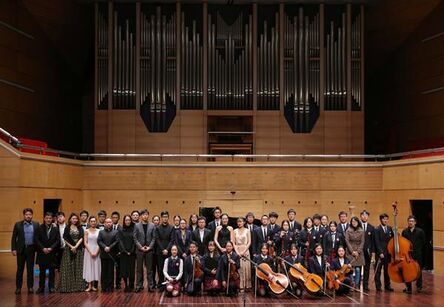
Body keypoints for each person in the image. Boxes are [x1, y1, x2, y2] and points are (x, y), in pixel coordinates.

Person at [11, 208, 39, 294]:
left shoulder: (36, 224)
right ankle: (18, 288)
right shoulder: (18, 224)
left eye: (30, 214)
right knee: (20, 269)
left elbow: (39, 237)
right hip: (21, 250)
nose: (28, 216)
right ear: (24, 215)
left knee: (30, 270)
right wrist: (13, 249)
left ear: (32, 215)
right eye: (27, 214)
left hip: (31, 250)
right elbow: (14, 238)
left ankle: (30, 287)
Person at [35, 212, 60, 294]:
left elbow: (58, 240)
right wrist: (43, 248)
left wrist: (51, 248)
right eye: (47, 218)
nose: (48, 220)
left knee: (52, 272)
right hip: (42, 253)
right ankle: (41, 287)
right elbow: (36, 240)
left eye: (50, 218)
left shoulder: (56, 228)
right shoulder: (39, 228)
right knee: (42, 272)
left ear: (52, 219)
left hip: (52, 253)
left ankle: (51, 287)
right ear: (44, 219)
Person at [59, 213, 85, 293]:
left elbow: (81, 237)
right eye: (73, 218)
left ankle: (78, 286)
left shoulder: (80, 227)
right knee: (68, 268)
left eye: (76, 219)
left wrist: (76, 246)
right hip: (68, 250)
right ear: (70, 219)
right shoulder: (67, 227)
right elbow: (65, 238)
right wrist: (71, 247)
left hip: (79, 249)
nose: (75, 220)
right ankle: (68, 287)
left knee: (78, 267)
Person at [133, 209, 157, 292]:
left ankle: (150, 286)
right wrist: (140, 247)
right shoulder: (136, 225)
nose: (145, 216)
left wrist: (150, 247)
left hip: (149, 250)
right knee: (139, 269)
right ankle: (139, 285)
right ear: (141, 216)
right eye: (143, 214)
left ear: (148, 215)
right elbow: (135, 238)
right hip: (140, 250)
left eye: (146, 214)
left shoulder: (152, 225)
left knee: (149, 269)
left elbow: (154, 238)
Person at [402, 215, 426, 294]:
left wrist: (418, 249)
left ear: (415, 222)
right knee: (407, 271)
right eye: (409, 221)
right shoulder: (404, 231)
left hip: (417, 254)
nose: (410, 223)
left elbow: (423, 242)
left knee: (418, 270)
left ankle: (419, 286)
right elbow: (403, 243)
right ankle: (408, 288)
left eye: (412, 221)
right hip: (408, 255)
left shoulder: (420, 231)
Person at [374, 213, 394, 292]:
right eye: (383, 219)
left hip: (388, 253)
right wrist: (380, 252)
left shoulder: (390, 229)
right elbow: (377, 242)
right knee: (378, 271)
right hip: (380, 254)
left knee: (387, 271)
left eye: (386, 219)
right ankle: (378, 286)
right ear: (381, 220)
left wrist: (396, 232)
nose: (385, 220)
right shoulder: (377, 229)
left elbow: (393, 239)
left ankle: (387, 286)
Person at [98, 218, 119, 292]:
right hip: (103, 254)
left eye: (110, 222)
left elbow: (117, 241)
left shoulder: (115, 232)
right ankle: (104, 287)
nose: (108, 224)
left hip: (112, 254)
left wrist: (110, 247)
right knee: (104, 271)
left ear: (112, 223)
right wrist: (105, 247)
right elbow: (99, 241)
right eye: (107, 222)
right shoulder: (101, 232)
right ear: (104, 224)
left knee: (111, 271)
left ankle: (110, 287)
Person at [155, 211, 174, 291]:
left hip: (169, 251)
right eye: (163, 217)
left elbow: (172, 239)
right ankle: (161, 284)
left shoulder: (171, 227)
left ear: (168, 217)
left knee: (168, 268)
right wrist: (163, 249)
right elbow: (157, 239)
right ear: (161, 218)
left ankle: (168, 284)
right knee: (160, 268)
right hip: (160, 251)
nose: (165, 218)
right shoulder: (157, 228)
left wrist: (167, 249)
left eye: (166, 216)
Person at [345, 216, 365, 288]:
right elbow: (347, 241)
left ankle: (356, 285)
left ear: (358, 222)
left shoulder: (362, 231)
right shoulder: (348, 230)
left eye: (355, 221)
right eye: (353, 222)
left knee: (357, 269)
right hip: (350, 252)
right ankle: (351, 284)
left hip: (359, 252)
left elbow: (362, 242)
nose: (354, 223)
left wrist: (358, 251)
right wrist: (352, 251)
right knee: (350, 269)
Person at [233, 217, 251, 291]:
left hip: (245, 250)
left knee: (246, 268)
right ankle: (240, 286)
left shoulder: (247, 230)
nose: (239, 223)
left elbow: (249, 242)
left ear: (244, 222)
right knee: (240, 269)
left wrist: (244, 252)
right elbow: (233, 243)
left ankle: (247, 286)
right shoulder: (235, 231)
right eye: (238, 222)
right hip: (237, 250)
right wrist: (237, 252)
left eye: (241, 221)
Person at [118, 215, 136, 292]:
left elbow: (134, 241)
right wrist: (125, 251)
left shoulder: (133, 229)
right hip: (123, 253)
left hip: (132, 253)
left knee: (131, 270)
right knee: (124, 270)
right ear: (124, 221)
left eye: (129, 220)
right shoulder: (121, 230)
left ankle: (131, 285)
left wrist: (131, 251)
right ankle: (126, 285)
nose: (128, 221)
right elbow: (120, 241)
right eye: (126, 220)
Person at [83, 216, 101, 292]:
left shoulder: (99, 231)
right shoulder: (86, 231)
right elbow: (85, 242)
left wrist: (96, 252)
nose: (93, 222)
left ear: (96, 222)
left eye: (94, 221)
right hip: (88, 251)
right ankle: (89, 285)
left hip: (97, 250)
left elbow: (100, 242)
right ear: (89, 222)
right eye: (91, 221)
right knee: (89, 267)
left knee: (95, 267)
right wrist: (90, 252)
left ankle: (94, 285)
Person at [360, 210, 375, 291]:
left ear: (368, 217)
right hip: (359, 251)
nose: (364, 216)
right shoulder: (357, 226)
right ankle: (357, 285)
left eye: (366, 215)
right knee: (358, 268)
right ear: (360, 216)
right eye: (363, 215)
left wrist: (373, 252)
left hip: (367, 252)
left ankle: (365, 285)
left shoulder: (371, 228)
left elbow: (373, 241)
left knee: (366, 269)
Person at [55, 212, 66, 289]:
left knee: (66, 267)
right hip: (57, 250)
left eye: (61, 216)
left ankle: (65, 284)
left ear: (64, 217)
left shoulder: (68, 227)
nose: (60, 218)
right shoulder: (54, 227)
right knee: (57, 268)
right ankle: (57, 284)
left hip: (67, 249)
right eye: (58, 217)